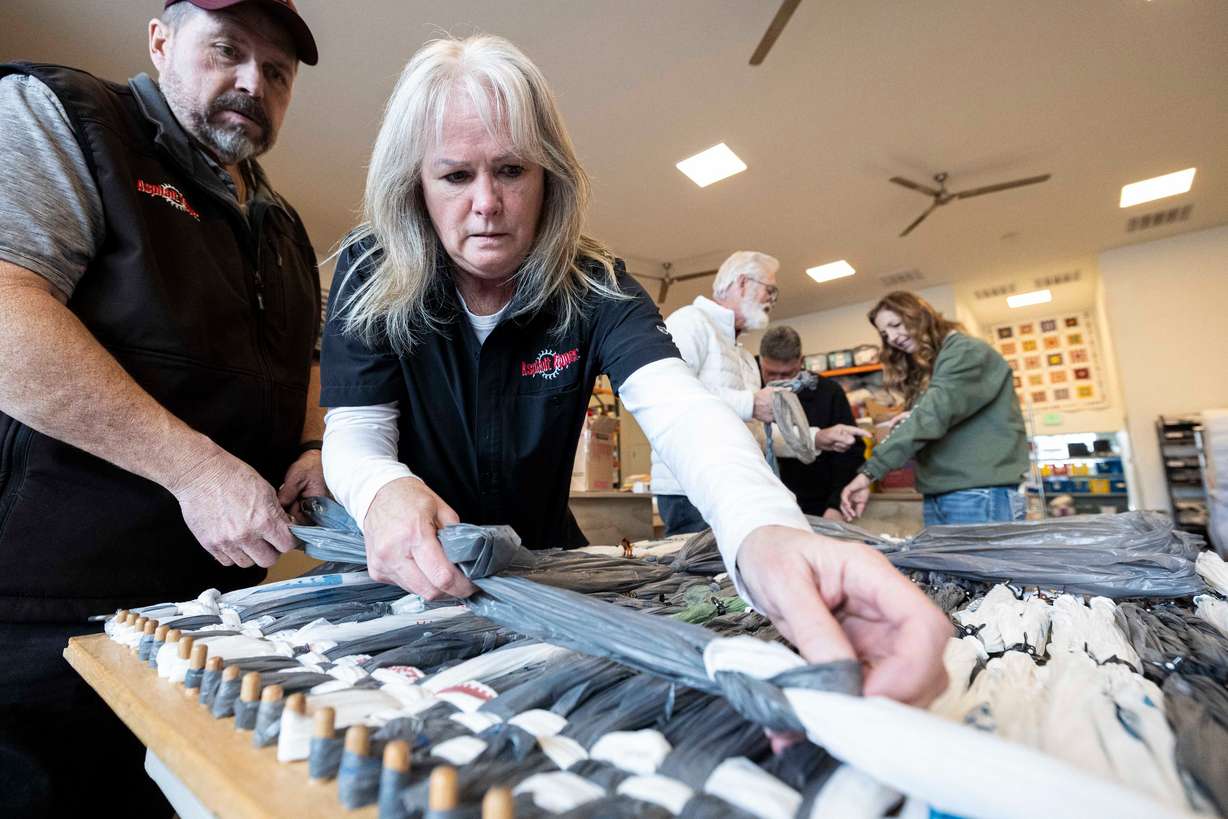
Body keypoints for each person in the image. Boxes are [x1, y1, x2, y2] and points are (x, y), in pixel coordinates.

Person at [321, 35, 950, 723]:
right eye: (454, 176)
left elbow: (683, 409)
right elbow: (354, 435)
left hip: (542, 568)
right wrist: (383, 488)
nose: (487, 204)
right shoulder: (369, 269)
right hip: (405, 576)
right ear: (415, 182)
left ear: (548, 176)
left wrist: (764, 530)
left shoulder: (595, 284)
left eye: (510, 170)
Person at [0, 1, 323, 814]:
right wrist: (194, 467)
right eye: (228, 50)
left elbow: (299, 363)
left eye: (278, 72)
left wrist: (313, 445)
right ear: (159, 39)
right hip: (43, 634)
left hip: (201, 631)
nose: (254, 81)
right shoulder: (68, 119)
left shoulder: (281, 225)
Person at [650, 252, 868, 535]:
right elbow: (668, 393)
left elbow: (756, 432)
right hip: (693, 488)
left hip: (735, 486)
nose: (771, 300)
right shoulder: (690, 322)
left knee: (728, 579)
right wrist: (750, 403)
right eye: (769, 290)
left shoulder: (740, 355)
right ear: (742, 283)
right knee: (701, 578)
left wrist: (818, 437)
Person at [840, 291, 1029, 525]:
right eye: (885, 334)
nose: (893, 338)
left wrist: (869, 472)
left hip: (977, 493)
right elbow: (938, 412)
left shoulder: (965, 352)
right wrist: (911, 417)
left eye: (896, 324)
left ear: (919, 314)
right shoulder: (932, 366)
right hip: (943, 491)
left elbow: (933, 416)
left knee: (978, 563)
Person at [759, 325, 866, 520]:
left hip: (820, 506)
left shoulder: (829, 392)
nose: (778, 381)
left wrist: (835, 506)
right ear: (761, 363)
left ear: (800, 362)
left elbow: (850, 454)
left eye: (786, 374)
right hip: (768, 506)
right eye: (771, 374)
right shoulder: (752, 394)